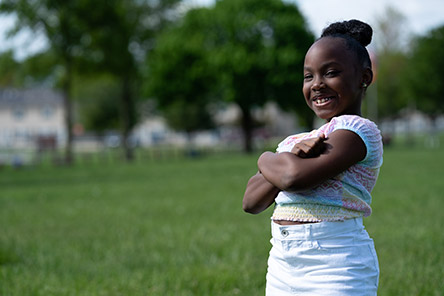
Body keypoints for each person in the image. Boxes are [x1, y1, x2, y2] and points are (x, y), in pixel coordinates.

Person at [242, 19, 383, 296]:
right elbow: (251, 201)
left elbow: (293, 177)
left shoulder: (358, 132)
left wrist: (268, 158)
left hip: (335, 262)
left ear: (364, 78)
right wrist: (281, 155)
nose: (317, 84)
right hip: (283, 265)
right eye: (309, 76)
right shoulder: (295, 141)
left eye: (330, 73)